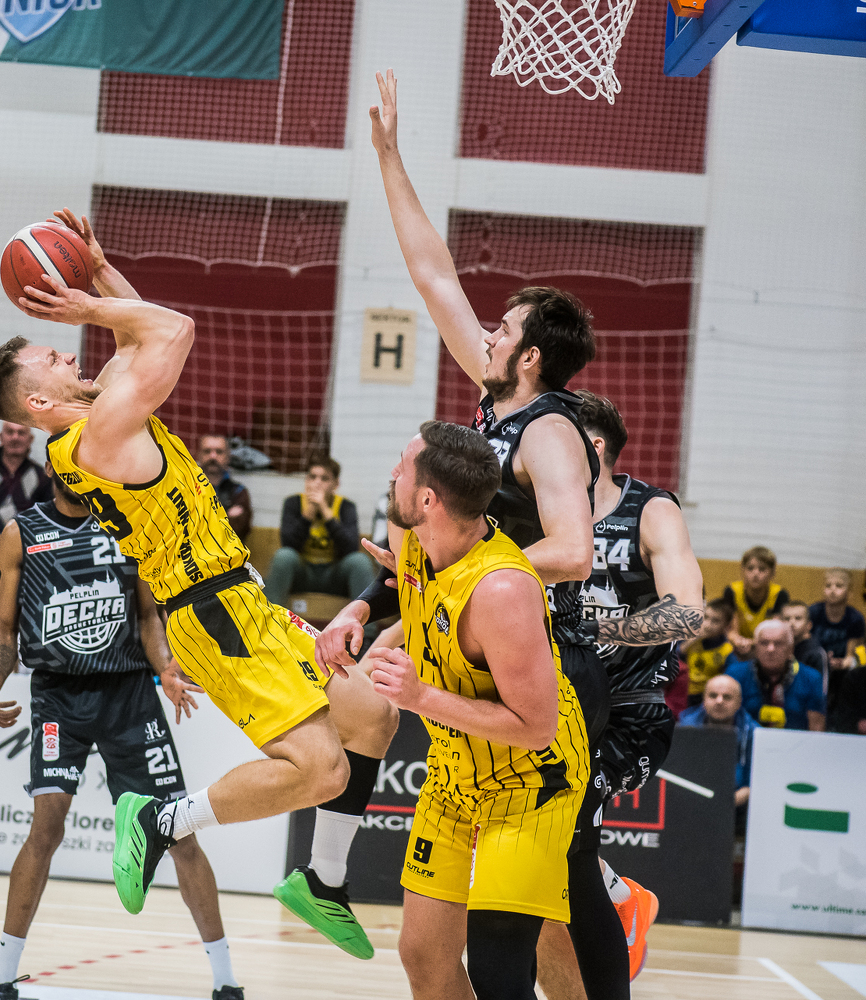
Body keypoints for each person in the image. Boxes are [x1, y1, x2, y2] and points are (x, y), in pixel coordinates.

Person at [0, 207, 397, 960]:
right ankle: (161, 819)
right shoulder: (96, 433)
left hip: (242, 596)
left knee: (373, 719)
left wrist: (98, 267)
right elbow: (174, 330)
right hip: (211, 613)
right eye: (50, 356)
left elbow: (139, 336)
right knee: (323, 770)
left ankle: (324, 881)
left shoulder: (101, 406)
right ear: (38, 404)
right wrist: (87, 305)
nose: (66, 349)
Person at [322, 69, 622, 1000]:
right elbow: (434, 277)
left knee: (554, 910)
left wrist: (463, 587)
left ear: (529, 356)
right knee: (478, 936)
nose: (485, 333)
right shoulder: (497, 406)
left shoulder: (550, 431)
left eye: (502, 329)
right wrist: (387, 157)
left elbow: (574, 548)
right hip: (481, 649)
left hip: (548, 663)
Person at [0, 469, 244, 1000]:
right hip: (57, 695)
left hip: (129, 694)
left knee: (179, 834)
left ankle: (226, 981)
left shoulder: (126, 527)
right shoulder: (20, 533)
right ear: (53, 470)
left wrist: (166, 669)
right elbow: (4, 630)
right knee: (45, 830)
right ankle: (1, 977)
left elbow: (149, 616)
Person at [361, 423, 590, 1000]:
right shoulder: (413, 534)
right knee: (422, 953)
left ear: (428, 500)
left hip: (530, 781)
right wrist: (355, 613)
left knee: (499, 967)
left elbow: (536, 728)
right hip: (454, 772)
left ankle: (604, 900)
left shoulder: (502, 591)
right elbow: (399, 585)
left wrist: (420, 697)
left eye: (403, 467)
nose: (393, 474)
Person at [535, 390, 705, 992]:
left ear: (592, 446)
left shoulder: (650, 511)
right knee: (534, 843)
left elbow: (687, 615)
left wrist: (595, 632)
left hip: (628, 713)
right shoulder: (546, 517)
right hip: (558, 708)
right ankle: (617, 894)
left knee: (566, 825)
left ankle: (618, 900)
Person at [264, 456, 373, 607]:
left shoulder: (346, 506)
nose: (317, 483)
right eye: (312, 477)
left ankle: (367, 622)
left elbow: (350, 547)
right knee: (283, 556)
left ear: (336, 484)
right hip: (303, 574)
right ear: (306, 481)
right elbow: (288, 544)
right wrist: (309, 514)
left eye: (324, 479)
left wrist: (325, 510)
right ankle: (267, 617)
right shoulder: (294, 503)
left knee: (360, 561)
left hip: (334, 576)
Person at [678, 675, 757, 824]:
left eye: (727, 697)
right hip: (690, 805)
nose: (719, 701)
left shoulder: (754, 733)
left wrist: (723, 803)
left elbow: (755, 782)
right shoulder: (684, 729)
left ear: (739, 702)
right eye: (713, 696)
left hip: (737, 810)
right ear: (703, 700)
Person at [725, 618, 825, 731]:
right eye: (764, 643)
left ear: (790, 649)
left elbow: (816, 730)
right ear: (755, 647)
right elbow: (725, 720)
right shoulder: (735, 674)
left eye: (778, 644)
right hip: (746, 739)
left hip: (795, 740)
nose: (770, 649)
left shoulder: (811, 678)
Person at [0, 421, 52, 539]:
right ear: (1, 437)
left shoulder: (43, 477)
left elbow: (47, 515)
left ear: (30, 439)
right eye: (10, 432)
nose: (15, 437)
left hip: (29, 538)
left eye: (21, 433)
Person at [718, 546, 789, 661]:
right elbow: (731, 631)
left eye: (762, 569)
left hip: (767, 647)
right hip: (737, 647)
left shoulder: (779, 595)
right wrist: (739, 641)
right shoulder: (732, 591)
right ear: (743, 570)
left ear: (772, 573)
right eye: (750, 568)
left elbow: (775, 633)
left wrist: (752, 643)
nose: (755, 573)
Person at [197, 434, 252, 541]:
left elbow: (238, 531)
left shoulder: (239, 492)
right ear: (199, 455)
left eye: (219, 452)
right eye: (207, 451)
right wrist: (226, 517)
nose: (213, 456)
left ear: (227, 457)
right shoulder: (186, 488)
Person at [681, 599, 736, 707]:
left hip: (708, 697)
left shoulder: (727, 650)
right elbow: (677, 657)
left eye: (715, 621)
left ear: (727, 627)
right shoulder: (690, 640)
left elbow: (727, 679)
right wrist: (693, 639)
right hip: (683, 693)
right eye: (705, 617)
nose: (707, 625)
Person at [810, 568, 864, 673]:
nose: (832, 590)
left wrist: (842, 663)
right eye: (828, 585)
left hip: (842, 670)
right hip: (815, 666)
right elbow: (807, 647)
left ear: (849, 592)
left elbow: (850, 656)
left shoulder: (855, 618)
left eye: (839, 586)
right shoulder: (813, 612)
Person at [780, 601, 830, 680]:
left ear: (809, 625)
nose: (791, 623)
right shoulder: (777, 649)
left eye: (798, 618)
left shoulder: (817, 653)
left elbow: (821, 685)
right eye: (787, 619)